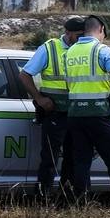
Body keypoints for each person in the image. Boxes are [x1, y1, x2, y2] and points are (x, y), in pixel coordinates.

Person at [61, 15, 110, 204]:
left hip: (76, 115)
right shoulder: (101, 50)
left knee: (81, 162)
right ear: (101, 29)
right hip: (99, 114)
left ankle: (81, 203)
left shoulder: (68, 53)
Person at [17, 15, 82, 199]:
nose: (81, 38)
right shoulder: (50, 48)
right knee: (50, 159)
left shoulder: (83, 49)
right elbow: (25, 75)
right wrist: (39, 98)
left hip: (77, 113)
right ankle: (42, 197)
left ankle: (68, 198)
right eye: (78, 35)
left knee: (74, 157)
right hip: (55, 113)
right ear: (68, 33)